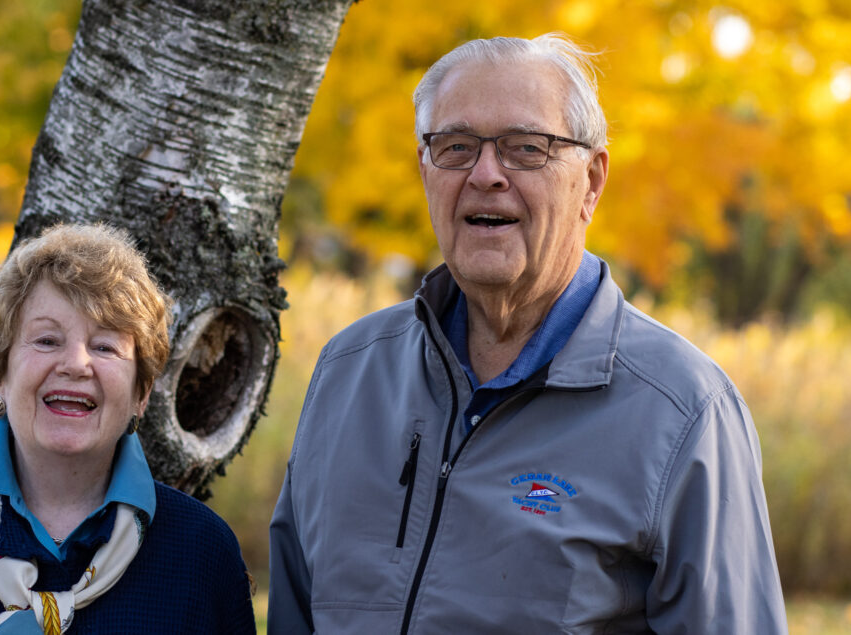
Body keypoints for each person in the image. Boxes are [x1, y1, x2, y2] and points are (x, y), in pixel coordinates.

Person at [268, 34, 788, 634]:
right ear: (425, 169)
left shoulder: (684, 412)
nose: (486, 175)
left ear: (590, 182)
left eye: (526, 149)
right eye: (456, 147)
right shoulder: (348, 372)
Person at [0, 223, 256, 633]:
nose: (75, 363)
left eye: (105, 346)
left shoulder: (203, 554)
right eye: (47, 340)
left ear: (141, 394)